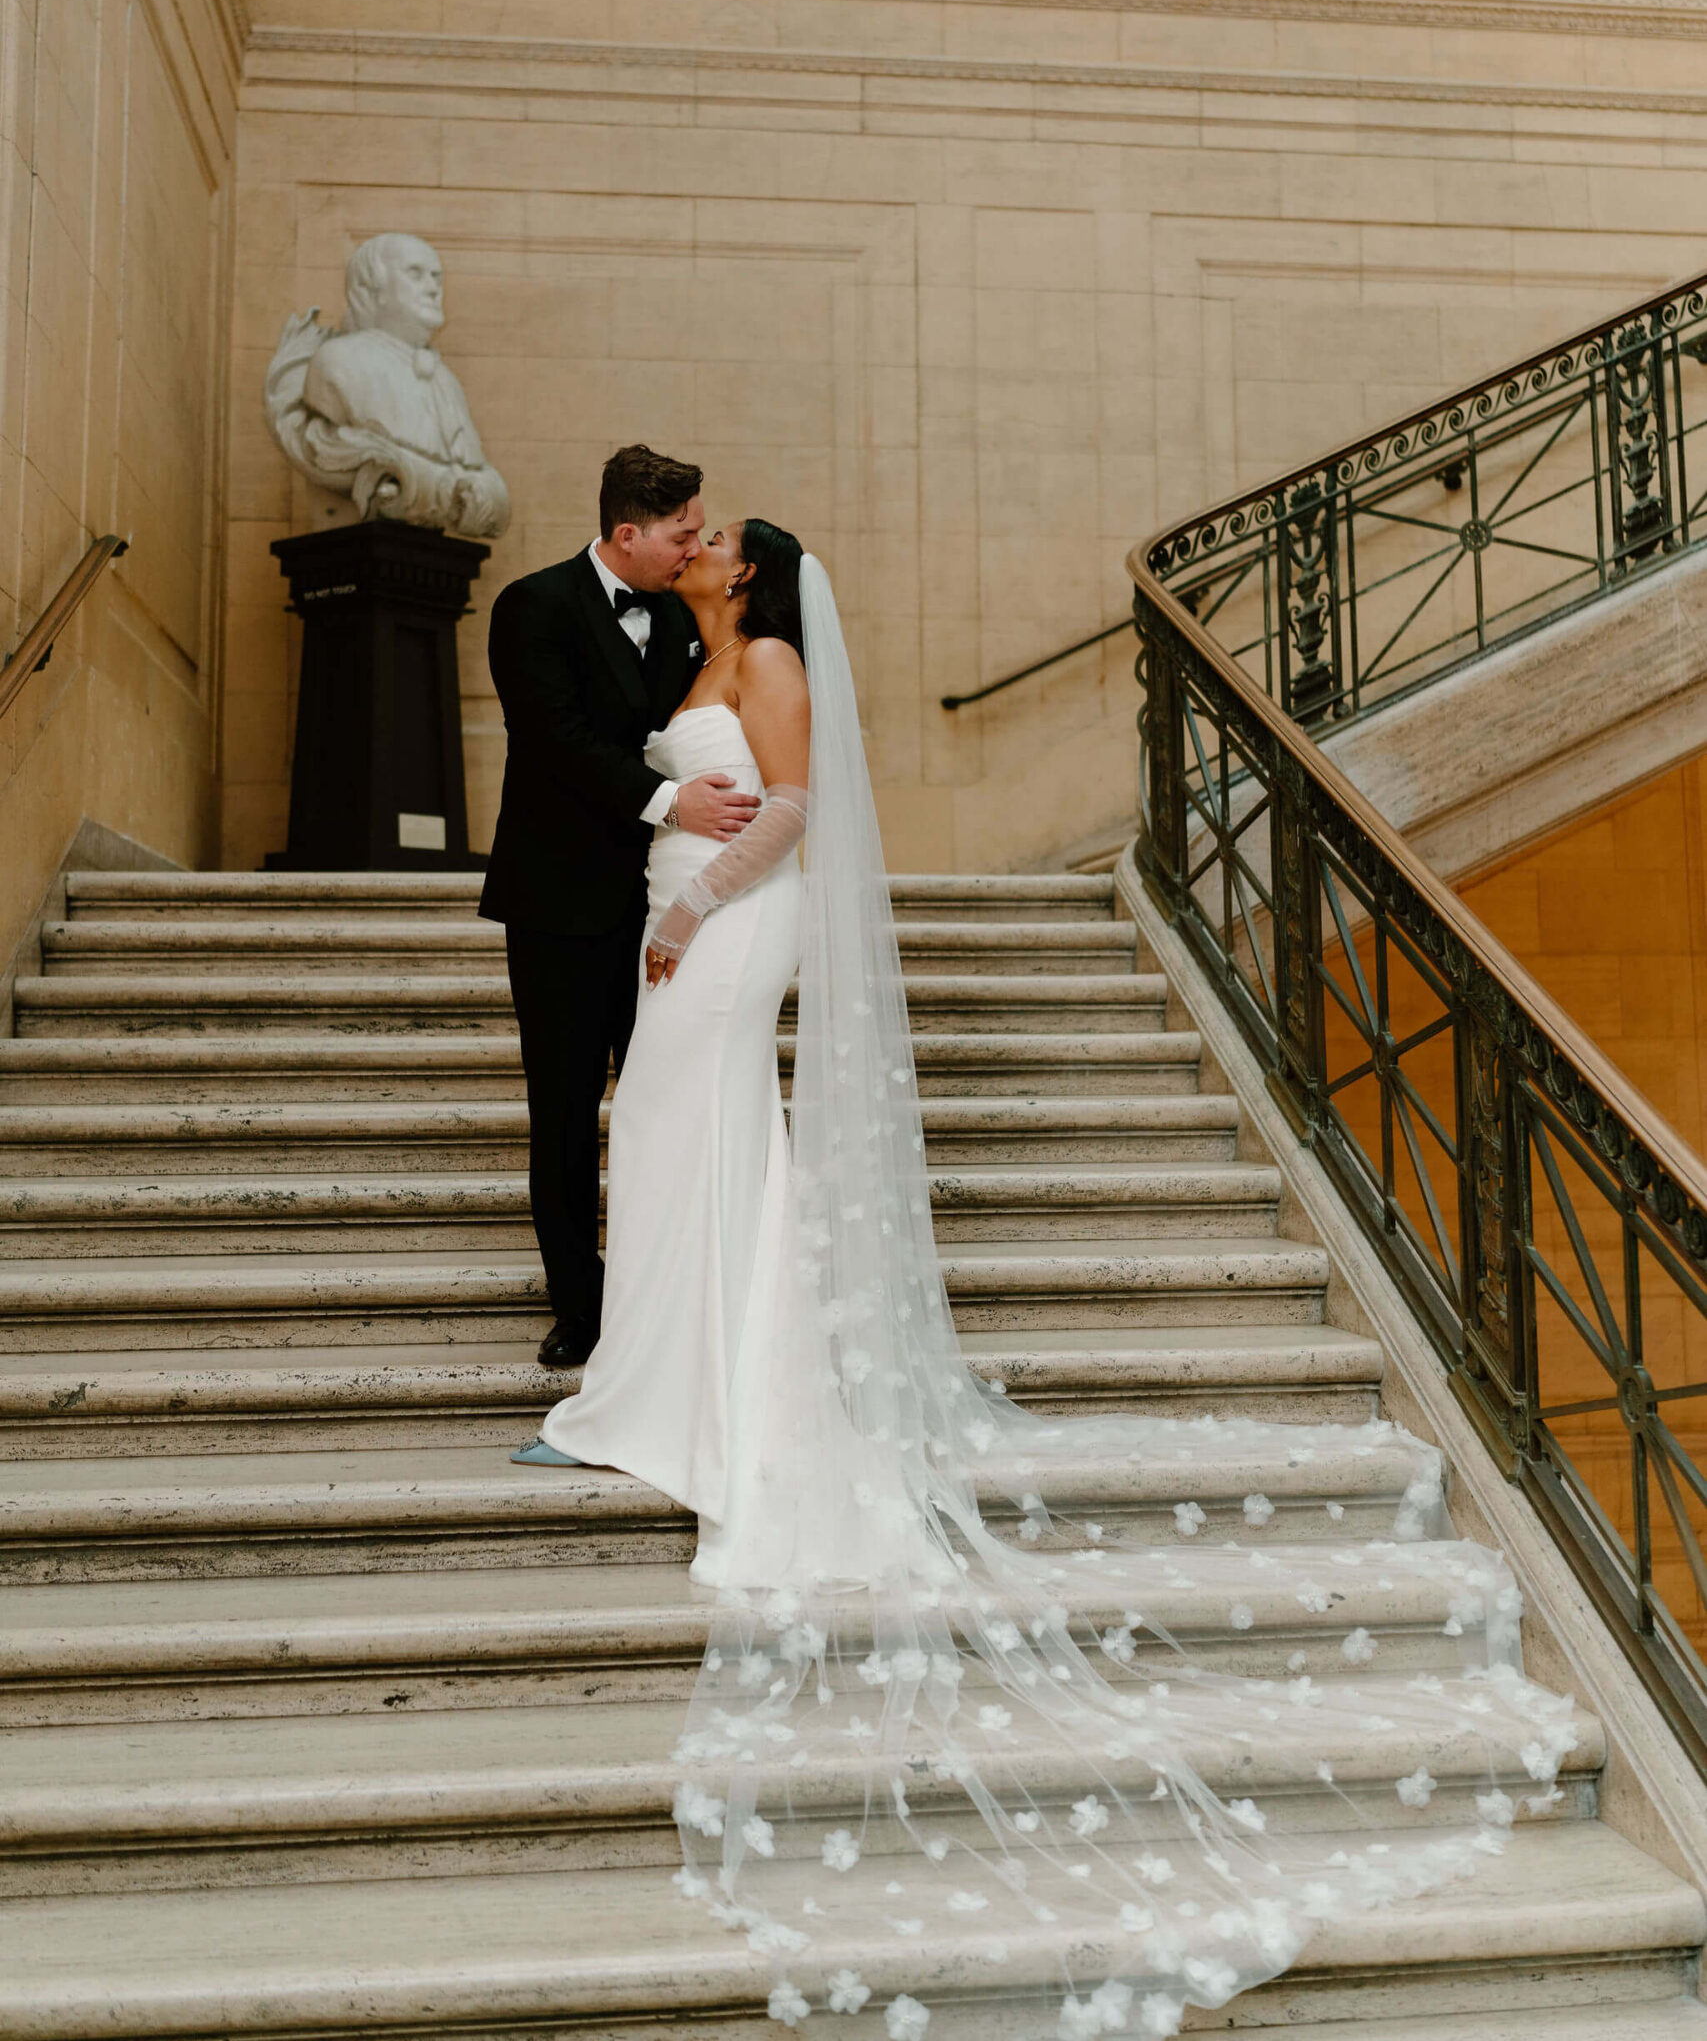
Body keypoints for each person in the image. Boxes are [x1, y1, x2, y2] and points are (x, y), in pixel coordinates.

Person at [509, 525, 1577, 2040]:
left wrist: (688, 906)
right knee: (677, 1148)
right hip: (682, 912)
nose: (699, 541)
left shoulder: (772, 661)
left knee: (701, 1121)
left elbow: (797, 807)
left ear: (743, 576)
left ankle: (709, 1390)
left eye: (717, 539)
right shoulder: (692, 658)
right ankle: (670, 1370)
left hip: (731, 926)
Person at [479, 446, 760, 1370]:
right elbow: (554, 741)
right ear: (626, 534)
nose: (691, 550)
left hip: (665, 906)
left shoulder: (688, 617)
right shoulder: (532, 606)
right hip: (557, 903)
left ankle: (660, 1292)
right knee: (561, 1112)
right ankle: (579, 1306)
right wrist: (670, 804)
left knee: (659, 1105)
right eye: (680, 535)